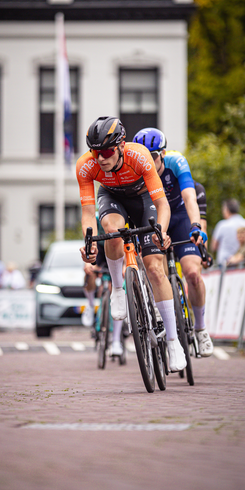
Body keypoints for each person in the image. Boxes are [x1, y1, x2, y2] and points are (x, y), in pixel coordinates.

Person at [76, 116, 186, 372]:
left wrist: (161, 231)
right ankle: (117, 289)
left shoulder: (140, 156)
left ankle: (173, 342)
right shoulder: (85, 165)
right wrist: (89, 242)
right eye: (95, 152)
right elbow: (87, 213)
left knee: (155, 267)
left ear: (121, 146)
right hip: (112, 197)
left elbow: (162, 205)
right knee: (111, 231)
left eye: (106, 152)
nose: (100, 158)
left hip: (143, 198)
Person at [133, 128, 213, 358]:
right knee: (152, 267)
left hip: (180, 216)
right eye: (144, 157)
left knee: (192, 273)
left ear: (163, 154)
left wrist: (196, 225)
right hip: (155, 218)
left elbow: (189, 197)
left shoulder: (176, 161)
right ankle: (161, 311)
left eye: (153, 157)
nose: (148, 162)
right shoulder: (137, 170)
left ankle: (200, 328)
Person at [82, 212, 125, 357]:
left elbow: (126, 246)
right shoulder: (95, 218)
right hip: (100, 251)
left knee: (117, 286)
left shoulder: (121, 218)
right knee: (89, 275)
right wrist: (88, 264)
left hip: (117, 249)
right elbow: (88, 244)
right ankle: (90, 304)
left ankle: (116, 340)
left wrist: (125, 266)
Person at [210, 199, 245, 267]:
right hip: (243, 263)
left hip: (224, 263)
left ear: (227, 210)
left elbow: (213, 246)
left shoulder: (222, 225)